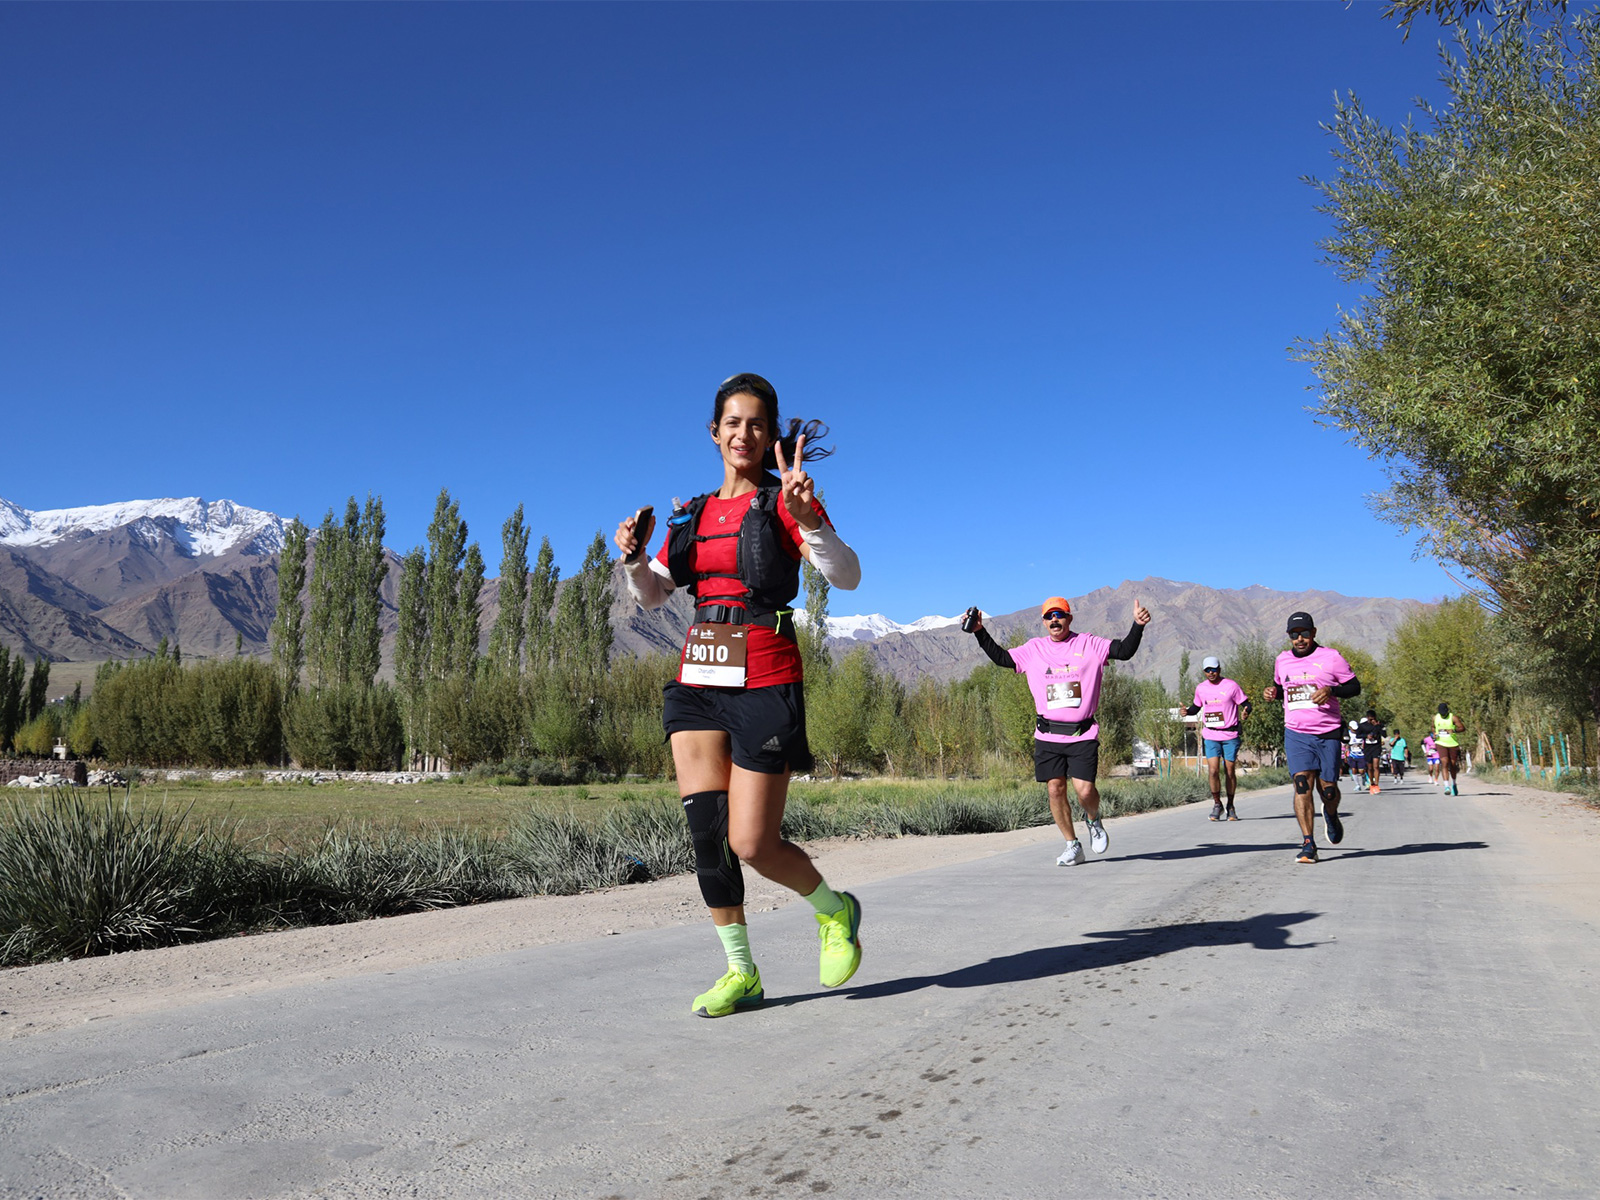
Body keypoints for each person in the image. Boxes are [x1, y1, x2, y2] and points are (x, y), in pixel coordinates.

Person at [615, 373, 864, 1018]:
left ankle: (834, 910)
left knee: (753, 843)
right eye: (733, 422)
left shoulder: (786, 501)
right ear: (714, 432)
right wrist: (635, 560)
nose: (744, 434)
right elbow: (653, 596)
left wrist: (810, 521)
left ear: (772, 433)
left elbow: (847, 576)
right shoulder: (692, 515)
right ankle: (740, 971)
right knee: (708, 835)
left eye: (757, 423)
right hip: (698, 679)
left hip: (767, 675)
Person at [964, 595, 1151, 865]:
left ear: (1069, 618)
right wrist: (979, 632)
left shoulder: (1088, 644)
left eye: (1059, 614)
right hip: (1048, 735)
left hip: (1082, 734)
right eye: (1049, 616)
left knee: (1084, 791)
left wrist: (1137, 626)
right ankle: (1072, 845)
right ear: (1043, 622)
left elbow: (1124, 651)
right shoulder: (1034, 649)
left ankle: (1093, 820)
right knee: (1055, 789)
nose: (1054, 619)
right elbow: (1003, 658)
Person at [1261, 611, 1361, 864]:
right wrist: (1273, 692)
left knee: (1328, 790)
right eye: (1294, 635)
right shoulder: (1282, 660)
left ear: (1313, 633)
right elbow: (1282, 688)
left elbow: (1354, 687)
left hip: (1328, 733)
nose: (1300, 639)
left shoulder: (1332, 657)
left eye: (1304, 633)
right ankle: (1308, 843)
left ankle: (1331, 814)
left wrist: (1331, 690)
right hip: (1296, 733)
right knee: (1301, 784)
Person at [1182, 656, 1253, 821]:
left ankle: (1231, 805)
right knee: (1213, 770)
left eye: (1213, 669)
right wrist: (1187, 711)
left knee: (1229, 771)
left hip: (1230, 734)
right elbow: (1196, 707)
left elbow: (1247, 703)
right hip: (1211, 734)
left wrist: (1246, 711)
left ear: (1219, 669)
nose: (1211, 673)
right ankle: (1217, 804)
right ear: (1204, 672)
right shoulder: (1201, 688)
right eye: (1207, 670)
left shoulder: (1231, 686)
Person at [1434, 702, 1466, 795]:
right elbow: (1433, 727)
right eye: (1441, 713)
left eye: (1444, 713)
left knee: (1452, 765)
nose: (1443, 715)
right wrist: (1434, 734)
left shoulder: (1453, 718)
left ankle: (1454, 784)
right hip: (1440, 743)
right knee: (1444, 762)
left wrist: (1454, 730)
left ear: (1447, 711)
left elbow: (1462, 728)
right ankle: (1446, 786)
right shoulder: (1435, 718)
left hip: (1452, 744)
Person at [1356, 708, 1387, 795]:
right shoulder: (1362, 726)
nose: (1371, 721)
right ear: (1367, 718)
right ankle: (1372, 783)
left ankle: (1376, 784)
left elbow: (1385, 735)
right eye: (1370, 719)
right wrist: (1366, 736)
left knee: (1376, 766)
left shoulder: (1380, 724)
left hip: (1376, 747)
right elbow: (1358, 735)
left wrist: (1377, 726)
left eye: (1373, 719)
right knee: (1369, 767)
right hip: (1368, 747)